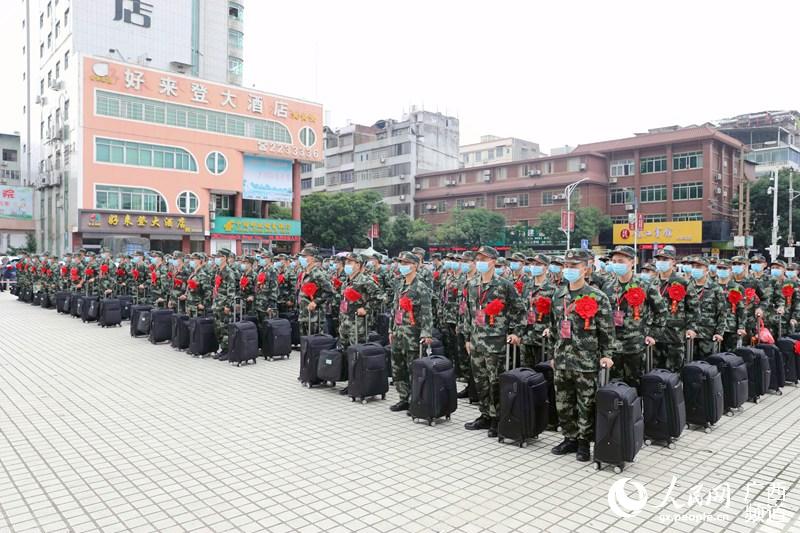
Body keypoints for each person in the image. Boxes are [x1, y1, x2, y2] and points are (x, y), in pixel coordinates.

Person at [544, 248, 615, 462]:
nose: (569, 270)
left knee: (586, 402)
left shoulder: (597, 296)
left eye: (574, 266)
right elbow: (554, 326)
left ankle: (584, 442)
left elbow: (607, 330)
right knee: (563, 401)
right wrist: (554, 355)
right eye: (567, 266)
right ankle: (570, 437)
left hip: (586, 359)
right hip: (563, 358)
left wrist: (607, 354)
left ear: (586, 268)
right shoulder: (558, 294)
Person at [463, 246, 525, 437]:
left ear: (493, 262)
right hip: (476, 340)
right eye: (478, 258)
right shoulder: (472, 284)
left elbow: (520, 310)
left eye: (484, 258)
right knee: (480, 380)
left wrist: (516, 332)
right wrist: (467, 337)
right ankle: (485, 414)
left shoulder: (504, 285)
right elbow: (468, 313)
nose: (480, 261)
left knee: (495, 381)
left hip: (496, 341)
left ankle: (497, 417)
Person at [602, 245, 666, 387]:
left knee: (636, 386)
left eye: (621, 261)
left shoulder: (644, 285)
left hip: (636, 346)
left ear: (633, 262)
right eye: (614, 261)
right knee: (614, 387)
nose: (617, 264)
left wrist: (653, 334)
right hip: (613, 347)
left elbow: (661, 311)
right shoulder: (607, 287)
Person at [388, 251, 433, 412]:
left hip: (413, 334)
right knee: (397, 367)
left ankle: (416, 399)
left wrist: (426, 333)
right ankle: (403, 397)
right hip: (398, 331)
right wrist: (390, 329)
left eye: (406, 263)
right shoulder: (400, 284)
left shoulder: (421, 286)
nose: (402, 266)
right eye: (401, 263)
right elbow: (394, 309)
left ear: (415, 265)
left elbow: (427, 312)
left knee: (413, 368)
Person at [654, 247, 694, 371]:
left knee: (674, 374)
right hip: (655, 336)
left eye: (665, 259)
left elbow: (693, 308)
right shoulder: (651, 283)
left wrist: (691, 328)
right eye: (659, 259)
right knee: (654, 373)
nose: (661, 262)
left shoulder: (682, 282)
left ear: (673, 262)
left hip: (675, 336)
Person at [521, 253, 557, 367]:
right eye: (533, 264)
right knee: (525, 371)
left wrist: (550, 329)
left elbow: (556, 315)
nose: (534, 266)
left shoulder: (552, 289)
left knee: (542, 370)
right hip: (526, 334)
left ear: (546, 267)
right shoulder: (527, 286)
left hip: (543, 337)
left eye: (538, 264)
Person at [686, 256, 725, 360]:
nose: (695, 269)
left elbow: (722, 313)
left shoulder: (715, 288)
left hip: (707, 335)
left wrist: (719, 333)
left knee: (707, 366)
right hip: (689, 334)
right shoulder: (686, 286)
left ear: (706, 269)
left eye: (698, 266)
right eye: (693, 266)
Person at [296, 246, 334, 336]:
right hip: (304, 313)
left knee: (314, 341)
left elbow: (329, 291)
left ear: (312, 258)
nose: (302, 259)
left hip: (315, 316)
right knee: (304, 341)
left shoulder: (317, 274)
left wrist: (316, 302)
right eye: (301, 256)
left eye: (305, 256)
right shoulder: (304, 272)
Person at [715, 259, 747, 351]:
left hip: (731, 327)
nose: (721, 270)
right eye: (719, 268)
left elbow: (741, 309)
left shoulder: (737, 287)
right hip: (714, 327)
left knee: (730, 356)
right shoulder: (712, 286)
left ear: (730, 270)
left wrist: (741, 327)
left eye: (724, 268)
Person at [212, 249, 238, 360]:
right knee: (218, 328)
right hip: (217, 303)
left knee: (225, 328)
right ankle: (222, 349)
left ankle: (227, 350)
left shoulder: (229, 272)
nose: (217, 258)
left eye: (219, 256)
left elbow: (231, 291)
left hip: (224, 305)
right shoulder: (218, 270)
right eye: (216, 256)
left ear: (225, 258)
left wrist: (228, 305)